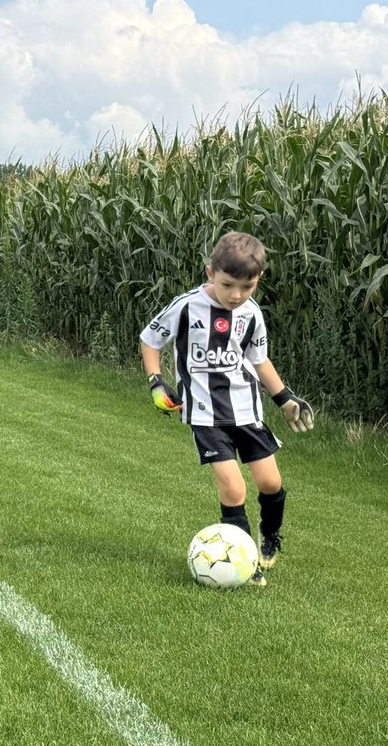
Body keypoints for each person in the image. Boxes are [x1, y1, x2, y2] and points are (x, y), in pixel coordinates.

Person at [139, 231, 313, 587]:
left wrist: (285, 398)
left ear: (257, 281)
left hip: (247, 411)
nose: (236, 295)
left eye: (246, 287)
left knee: (271, 482)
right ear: (209, 273)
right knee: (234, 489)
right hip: (203, 414)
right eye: (227, 284)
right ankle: (246, 563)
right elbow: (149, 340)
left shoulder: (251, 314)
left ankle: (269, 536)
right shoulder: (186, 306)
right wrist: (156, 381)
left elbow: (259, 360)